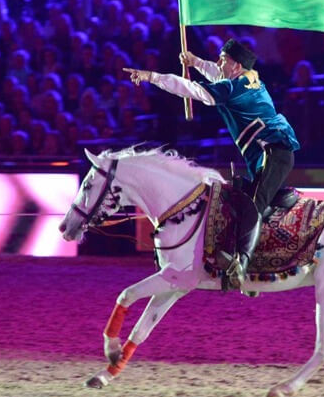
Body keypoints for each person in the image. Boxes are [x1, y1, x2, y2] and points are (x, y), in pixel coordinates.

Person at [124, 38, 300, 289]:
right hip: (270, 152)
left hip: (272, 151)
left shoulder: (234, 87)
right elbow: (218, 73)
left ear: (236, 65)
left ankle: (241, 265)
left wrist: (152, 76)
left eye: (223, 59)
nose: (219, 63)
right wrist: (195, 62)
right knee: (244, 203)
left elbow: (194, 90)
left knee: (252, 206)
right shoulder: (247, 78)